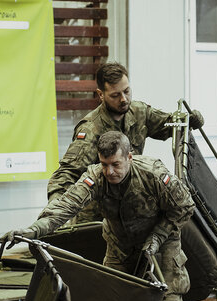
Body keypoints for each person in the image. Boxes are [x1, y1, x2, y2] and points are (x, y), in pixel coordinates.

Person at [2, 131, 198, 301]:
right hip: (120, 244)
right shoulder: (95, 177)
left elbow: (185, 208)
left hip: (161, 242)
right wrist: (32, 230)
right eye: (104, 164)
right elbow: (65, 208)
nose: (109, 171)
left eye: (116, 164)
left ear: (129, 157)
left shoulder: (153, 174)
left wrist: (158, 236)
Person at [46, 61, 204, 223]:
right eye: (115, 95)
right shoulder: (91, 129)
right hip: (97, 218)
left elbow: (169, 124)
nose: (123, 99)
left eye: (127, 91)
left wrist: (189, 121)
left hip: (131, 210)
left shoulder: (139, 112)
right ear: (101, 95)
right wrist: (55, 208)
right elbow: (67, 173)